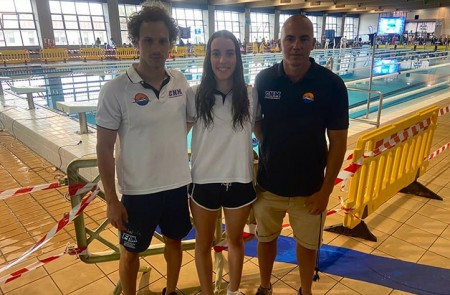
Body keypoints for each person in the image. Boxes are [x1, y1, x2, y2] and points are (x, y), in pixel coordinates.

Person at [96, 3, 192, 295]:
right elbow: (103, 147)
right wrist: (112, 199)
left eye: (162, 40)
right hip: (138, 192)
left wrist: (165, 143)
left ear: (170, 43)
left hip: (177, 185)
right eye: (148, 40)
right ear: (136, 42)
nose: (156, 47)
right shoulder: (116, 90)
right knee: (131, 252)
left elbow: (187, 122)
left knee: (175, 242)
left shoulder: (179, 81)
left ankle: (171, 290)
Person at [252, 15, 348, 295]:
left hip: (310, 190)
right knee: (266, 239)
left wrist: (326, 190)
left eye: (303, 38)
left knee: (307, 246)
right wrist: (269, 145)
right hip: (269, 185)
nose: (296, 45)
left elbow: (339, 142)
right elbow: (256, 120)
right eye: (290, 38)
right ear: (279, 42)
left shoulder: (331, 84)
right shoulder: (265, 78)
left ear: (313, 43)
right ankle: (265, 286)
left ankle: (305, 290)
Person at [186, 30, 258, 295]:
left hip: (239, 178)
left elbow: (260, 132)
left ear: (237, 58)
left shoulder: (250, 95)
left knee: (235, 241)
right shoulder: (195, 95)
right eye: (216, 53)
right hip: (203, 180)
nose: (223, 60)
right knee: (202, 243)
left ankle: (233, 291)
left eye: (229, 53)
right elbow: (175, 136)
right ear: (208, 57)